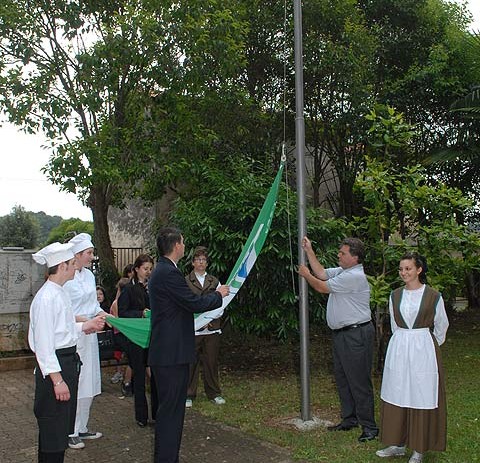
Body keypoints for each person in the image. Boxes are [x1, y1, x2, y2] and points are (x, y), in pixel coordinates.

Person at [148, 227, 230, 463]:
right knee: (171, 414)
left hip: (168, 352)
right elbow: (192, 302)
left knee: (170, 412)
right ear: (176, 246)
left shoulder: (163, 271)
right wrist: (218, 295)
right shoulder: (169, 273)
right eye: (183, 242)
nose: (185, 246)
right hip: (171, 354)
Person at [28, 242, 105, 463]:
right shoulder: (46, 298)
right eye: (72, 264)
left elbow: (63, 329)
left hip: (66, 364)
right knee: (53, 430)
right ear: (62, 266)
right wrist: (57, 379)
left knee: (60, 430)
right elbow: (44, 345)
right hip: (56, 368)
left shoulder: (59, 293)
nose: (76, 268)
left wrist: (85, 327)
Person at [298, 236, 378, 442]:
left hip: (356, 334)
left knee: (359, 381)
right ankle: (350, 419)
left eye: (343, 253)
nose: (339, 255)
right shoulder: (344, 271)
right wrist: (309, 251)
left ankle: (369, 427)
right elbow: (323, 273)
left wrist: (306, 274)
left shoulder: (355, 277)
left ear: (355, 257)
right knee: (343, 379)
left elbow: (321, 286)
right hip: (343, 335)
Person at [376, 253, 449, 463]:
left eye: (408, 268)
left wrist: (427, 344)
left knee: (420, 394)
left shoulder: (433, 296)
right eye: (401, 269)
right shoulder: (395, 295)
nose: (403, 273)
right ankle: (396, 443)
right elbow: (395, 325)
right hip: (399, 348)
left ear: (419, 270)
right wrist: (403, 342)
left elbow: (442, 325)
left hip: (422, 349)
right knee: (397, 392)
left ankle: (419, 448)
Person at [63, 233, 109, 449]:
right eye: (89, 253)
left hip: (90, 334)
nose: (92, 257)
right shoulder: (66, 276)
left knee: (90, 380)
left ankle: (82, 427)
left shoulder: (90, 276)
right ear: (78, 255)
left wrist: (106, 316)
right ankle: (69, 430)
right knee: (76, 382)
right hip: (74, 334)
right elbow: (63, 310)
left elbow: (93, 306)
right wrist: (85, 320)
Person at [118, 254, 157, 427]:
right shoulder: (128, 289)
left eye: (150, 269)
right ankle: (141, 416)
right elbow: (123, 312)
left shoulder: (153, 286)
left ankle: (157, 414)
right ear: (136, 269)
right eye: (145, 269)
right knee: (139, 376)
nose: (148, 272)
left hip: (153, 337)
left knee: (155, 375)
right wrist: (140, 313)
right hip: (135, 338)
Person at [185, 246, 225, 408]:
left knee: (211, 362)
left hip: (212, 328)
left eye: (204, 260)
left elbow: (222, 301)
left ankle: (214, 393)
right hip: (193, 328)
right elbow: (185, 302)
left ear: (207, 263)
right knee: (190, 363)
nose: (201, 262)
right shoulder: (186, 281)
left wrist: (210, 318)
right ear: (193, 263)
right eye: (198, 260)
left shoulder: (214, 281)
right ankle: (188, 394)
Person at [109, 277, 131, 385]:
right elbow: (119, 322)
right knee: (134, 357)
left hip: (124, 334)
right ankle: (127, 382)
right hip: (120, 335)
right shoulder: (116, 303)